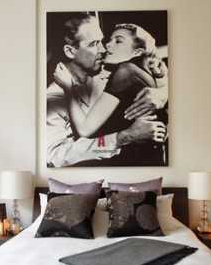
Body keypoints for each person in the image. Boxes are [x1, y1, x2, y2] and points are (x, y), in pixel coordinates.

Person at [46, 13, 168, 167]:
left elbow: (153, 72)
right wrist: (122, 138)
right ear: (70, 51)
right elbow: (56, 156)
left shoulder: (111, 70)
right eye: (93, 44)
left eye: (102, 41)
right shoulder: (54, 97)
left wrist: (163, 93)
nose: (104, 48)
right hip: (104, 171)